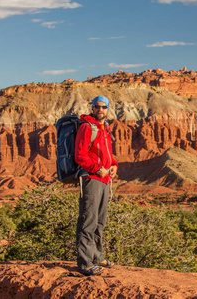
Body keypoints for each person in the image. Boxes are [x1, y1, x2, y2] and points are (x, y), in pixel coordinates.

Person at [74, 95, 118, 276]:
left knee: (100, 221)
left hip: (105, 179)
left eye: (103, 107)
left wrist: (114, 165)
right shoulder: (87, 127)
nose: (100, 110)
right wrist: (97, 168)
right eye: (97, 107)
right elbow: (80, 155)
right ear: (92, 108)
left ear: (108, 109)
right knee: (88, 220)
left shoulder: (104, 128)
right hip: (92, 178)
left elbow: (108, 153)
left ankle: (97, 256)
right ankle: (85, 262)